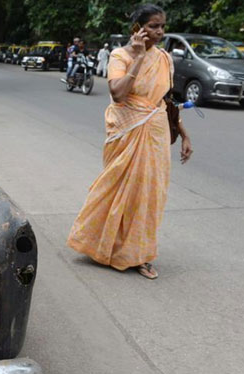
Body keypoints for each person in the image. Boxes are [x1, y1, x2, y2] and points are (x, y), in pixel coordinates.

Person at [67, 4, 193, 279]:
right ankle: (103, 245)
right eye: (153, 26)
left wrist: (183, 134)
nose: (159, 32)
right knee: (115, 187)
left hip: (156, 130)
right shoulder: (120, 55)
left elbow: (165, 100)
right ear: (137, 28)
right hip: (126, 131)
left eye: (162, 26)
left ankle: (138, 254)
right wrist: (137, 57)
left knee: (149, 193)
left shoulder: (164, 59)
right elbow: (118, 93)